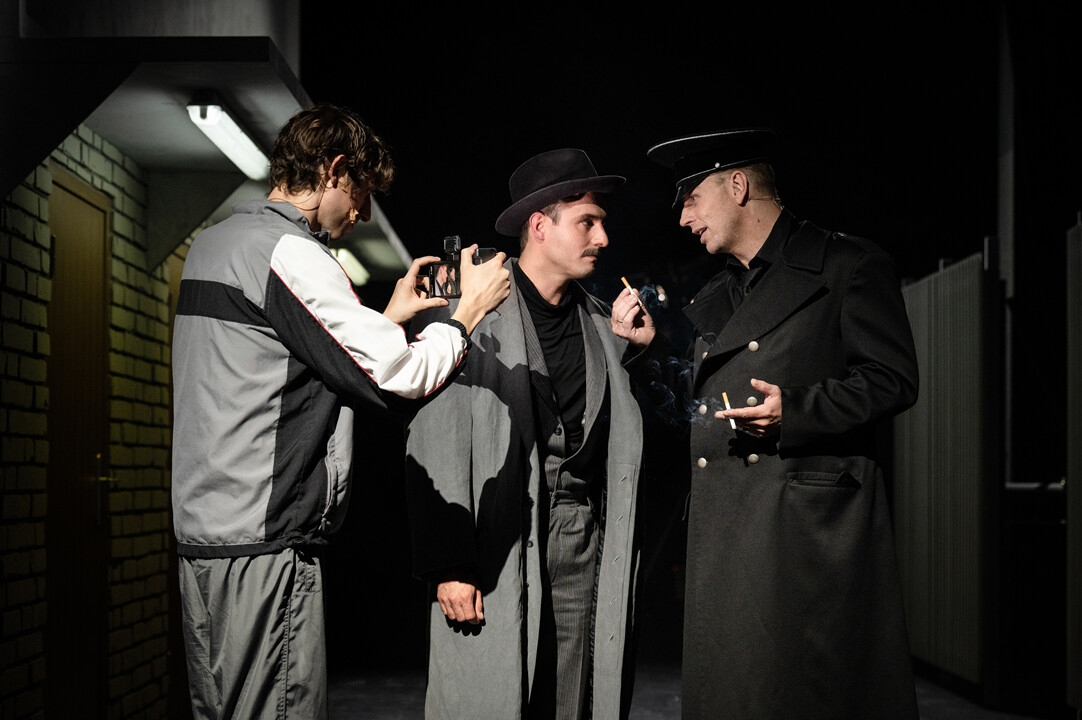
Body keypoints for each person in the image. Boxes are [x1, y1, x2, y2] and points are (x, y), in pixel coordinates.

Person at [170, 103, 510, 720]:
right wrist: (467, 314)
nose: (363, 214)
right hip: (266, 546)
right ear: (334, 170)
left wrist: (387, 318)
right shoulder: (290, 253)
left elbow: (284, 363)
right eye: (362, 193)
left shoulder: (215, 243)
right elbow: (398, 379)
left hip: (207, 543)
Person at [611, 129, 920, 719]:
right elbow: (702, 409)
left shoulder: (846, 265)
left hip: (806, 542)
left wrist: (795, 412)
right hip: (730, 535)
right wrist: (650, 351)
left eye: (691, 199)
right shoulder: (719, 293)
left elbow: (893, 379)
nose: (683, 218)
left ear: (737, 185)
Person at [406, 149, 644, 719]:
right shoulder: (472, 310)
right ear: (540, 225)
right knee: (493, 697)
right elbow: (433, 438)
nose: (603, 238)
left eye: (602, 222)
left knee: (571, 698)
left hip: (578, 546)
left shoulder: (601, 322)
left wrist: (637, 354)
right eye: (587, 222)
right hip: (496, 542)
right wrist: (449, 564)